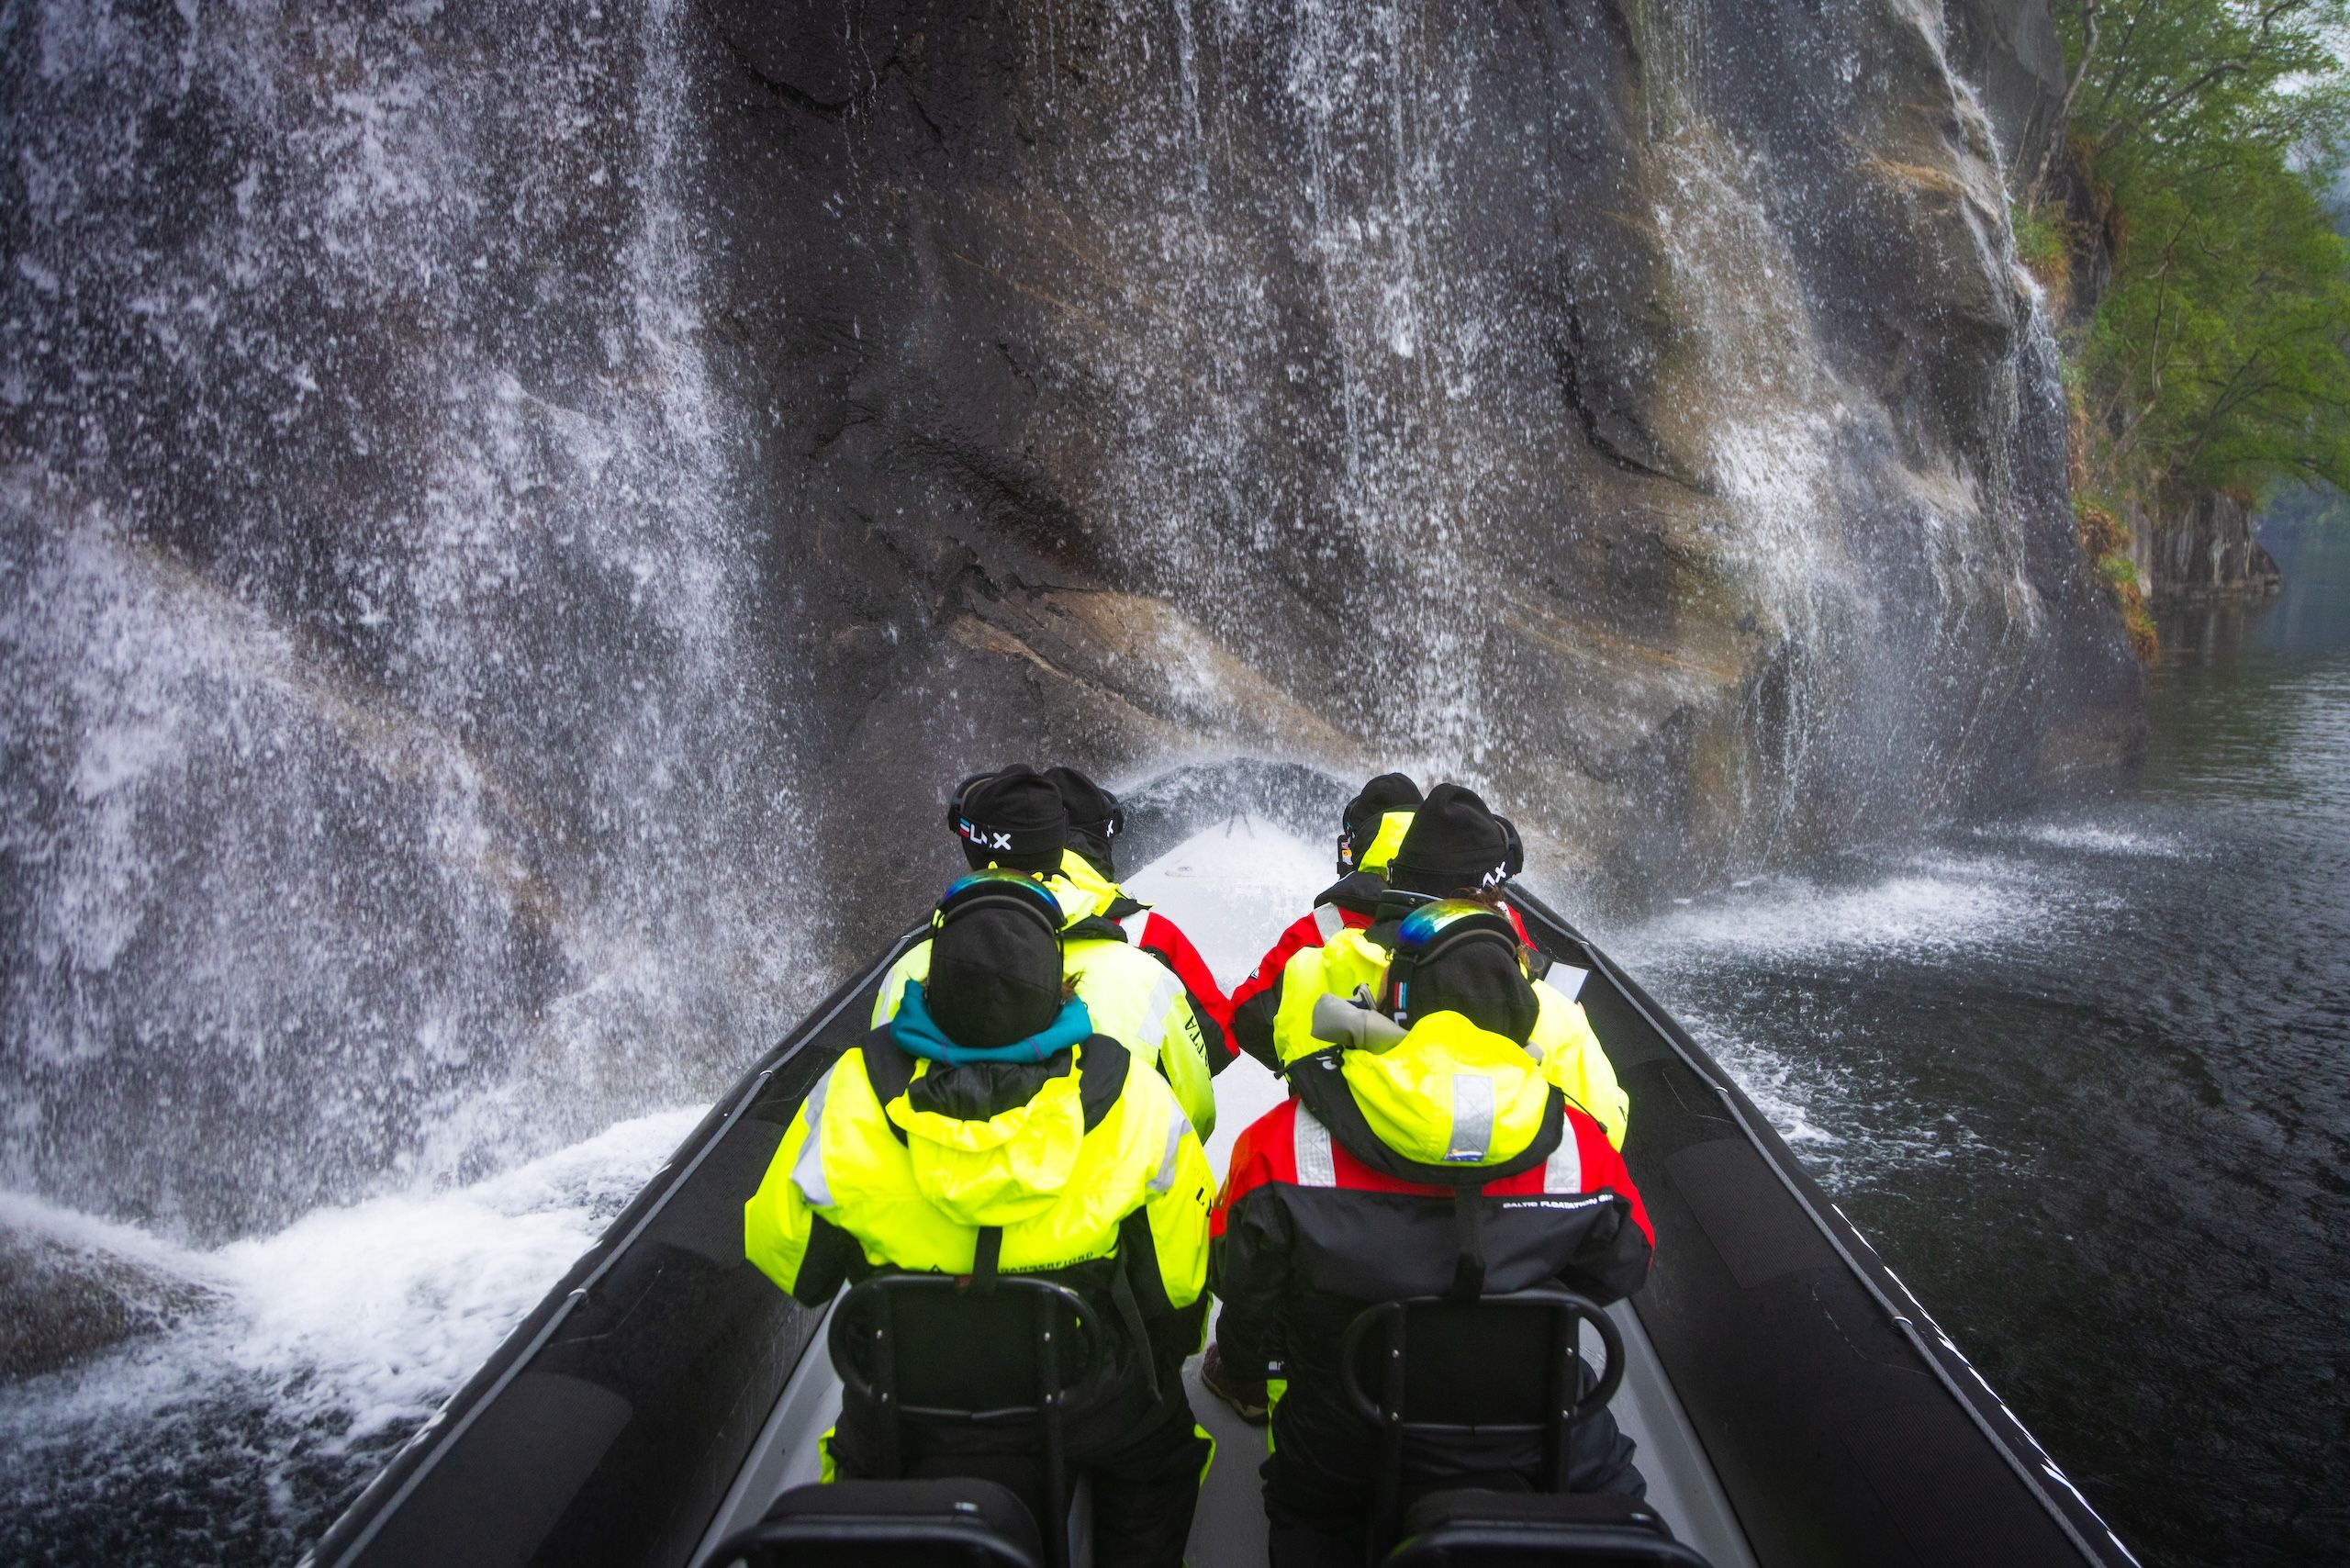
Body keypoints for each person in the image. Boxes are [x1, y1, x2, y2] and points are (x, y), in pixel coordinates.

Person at [744, 871, 1217, 1568]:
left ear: (931, 983)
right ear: (1059, 985)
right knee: (1159, 1463)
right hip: (1081, 1396)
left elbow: (789, 1263)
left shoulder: (850, 1090)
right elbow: (1177, 1288)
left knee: (857, 1451)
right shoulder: (1133, 1097)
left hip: (903, 1401)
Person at [1210, 898, 1654, 1567]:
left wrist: (1247, 1366)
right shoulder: (1579, 1143)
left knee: (1309, 1511)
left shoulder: (1285, 1144)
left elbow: (1237, 1279)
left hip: (1348, 1432)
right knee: (1633, 1513)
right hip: (1534, 1429)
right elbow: (1623, 1265)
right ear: (1520, 1016)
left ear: (1397, 1008)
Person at [1254, 783, 1628, 1149]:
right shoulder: (1555, 1016)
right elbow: (1606, 1130)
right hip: (1500, 1183)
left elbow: (1253, 1026)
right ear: (1486, 901)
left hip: (1335, 1172)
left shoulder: (1308, 971)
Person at [876, 765, 1220, 1138]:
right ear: (1060, 846)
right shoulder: (1144, 972)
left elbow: (883, 1095)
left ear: (973, 849)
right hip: (1108, 1167)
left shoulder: (906, 971)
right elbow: (1196, 1113)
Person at [1043, 765, 1237, 1068]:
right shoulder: (1151, 934)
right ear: (1104, 841)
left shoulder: (968, 922)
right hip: (1128, 1096)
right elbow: (1220, 1042)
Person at [1226, 773, 1423, 1072]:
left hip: (1328, 1098)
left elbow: (1247, 1014)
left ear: (1356, 844)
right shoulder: (1471, 913)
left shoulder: (1319, 926)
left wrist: (1306, 1070)